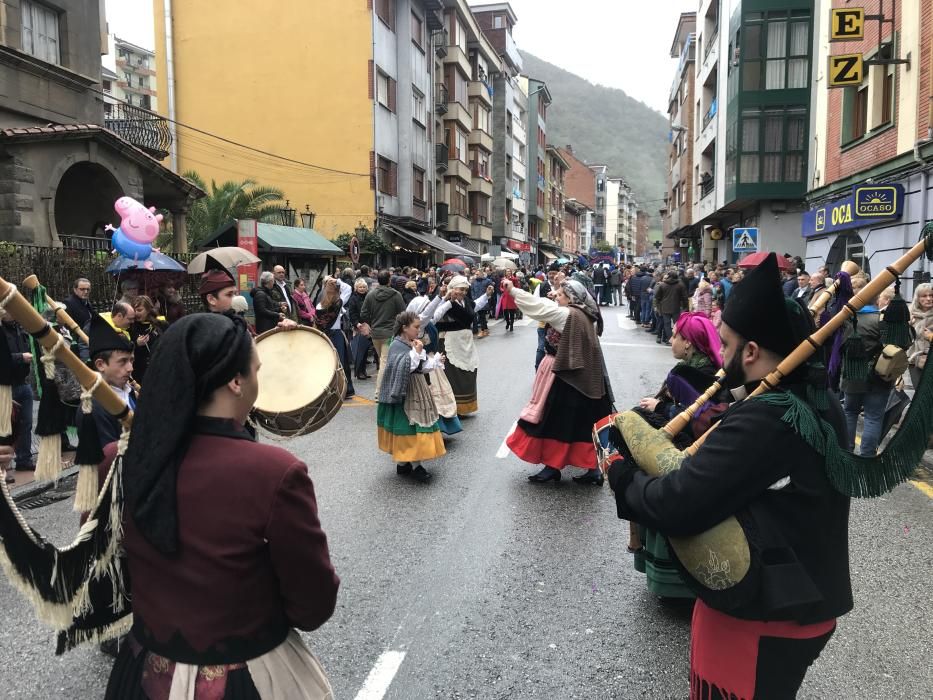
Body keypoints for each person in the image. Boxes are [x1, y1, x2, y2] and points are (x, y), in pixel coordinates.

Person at [609, 253, 852, 699]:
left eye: (725, 343)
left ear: (753, 351)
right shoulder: (816, 398)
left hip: (767, 611)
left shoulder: (768, 416)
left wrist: (619, 472)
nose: (720, 355)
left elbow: (678, 502)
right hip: (802, 595)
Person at [105, 312, 339, 698]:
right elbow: (312, 605)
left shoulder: (117, 458)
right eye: (256, 370)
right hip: (242, 677)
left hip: (143, 672)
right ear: (235, 381)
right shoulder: (276, 473)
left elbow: (112, 573)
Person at [632, 312, 725, 599]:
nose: (671, 340)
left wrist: (657, 407)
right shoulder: (718, 370)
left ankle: (670, 580)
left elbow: (694, 418)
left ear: (690, 344)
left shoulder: (683, 374)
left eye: (676, 336)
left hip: (680, 452)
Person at [502, 278, 613, 484]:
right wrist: (556, 296)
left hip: (566, 377)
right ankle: (593, 468)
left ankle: (552, 466)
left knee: (554, 421)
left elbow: (538, 308)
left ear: (571, 298)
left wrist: (514, 290)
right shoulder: (586, 313)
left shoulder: (566, 314)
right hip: (586, 378)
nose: (556, 296)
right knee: (582, 423)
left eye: (560, 294)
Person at [376, 311, 447, 483]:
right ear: (404, 328)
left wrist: (435, 361)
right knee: (410, 426)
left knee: (410, 425)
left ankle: (403, 463)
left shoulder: (411, 343)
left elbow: (419, 367)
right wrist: (416, 352)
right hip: (404, 392)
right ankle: (415, 466)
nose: (418, 330)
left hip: (416, 386)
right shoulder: (396, 345)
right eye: (415, 327)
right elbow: (403, 367)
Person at [840, 291, 895, 456]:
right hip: (879, 375)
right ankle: (867, 455)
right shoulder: (881, 320)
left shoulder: (845, 320)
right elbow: (895, 346)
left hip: (852, 375)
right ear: (876, 300)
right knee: (873, 417)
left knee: (849, 413)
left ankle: (847, 451)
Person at [77, 314, 136, 448]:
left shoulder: (130, 392)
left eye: (131, 360)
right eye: (123, 361)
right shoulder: (94, 407)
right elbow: (109, 457)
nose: (130, 368)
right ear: (100, 365)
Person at [433, 275, 490, 416]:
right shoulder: (445, 302)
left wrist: (486, 296)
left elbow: (474, 307)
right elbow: (435, 316)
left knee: (468, 372)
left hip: (465, 342)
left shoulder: (465, 301)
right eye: (460, 289)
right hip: (450, 341)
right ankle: (454, 407)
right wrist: (447, 300)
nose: (463, 293)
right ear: (452, 289)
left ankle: (466, 405)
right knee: (453, 375)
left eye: (465, 290)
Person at [361, 270, 406, 399]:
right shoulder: (396, 295)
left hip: (376, 333)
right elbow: (403, 313)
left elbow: (363, 314)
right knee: (385, 362)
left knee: (383, 361)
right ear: (389, 280)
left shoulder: (370, 295)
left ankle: (386, 389)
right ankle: (379, 392)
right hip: (390, 333)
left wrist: (372, 322)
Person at [1, 312, 34, 474]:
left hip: (23, 382)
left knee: (26, 423)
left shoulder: (19, 328)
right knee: (6, 427)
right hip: (7, 386)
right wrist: (21, 357)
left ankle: (24, 459)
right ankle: (4, 466)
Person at [314, 276, 355, 399]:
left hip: (323, 336)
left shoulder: (319, 304)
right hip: (336, 335)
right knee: (340, 363)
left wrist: (327, 283)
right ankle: (343, 389)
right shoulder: (338, 302)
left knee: (326, 363)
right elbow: (348, 288)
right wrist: (337, 281)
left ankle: (326, 389)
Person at [129, 295, 167, 383]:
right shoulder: (131, 326)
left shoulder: (161, 324)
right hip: (140, 371)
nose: (136, 313)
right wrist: (136, 344)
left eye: (139, 310)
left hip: (159, 367)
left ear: (148, 309)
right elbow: (126, 347)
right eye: (134, 310)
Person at [347, 279, 374, 380]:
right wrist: (356, 323)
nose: (362, 289)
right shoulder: (353, 298)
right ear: (356, 288)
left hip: (368, 326)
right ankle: (359, 372)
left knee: (366, 349)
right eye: (360, 287)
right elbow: (352, 313)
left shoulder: (369, 297)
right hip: (359, 326)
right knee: (359, 350)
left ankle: (363, 371)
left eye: (363, 287)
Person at [908, 283, 933, 389]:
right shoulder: (909, 313)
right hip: (914, 360)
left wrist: (931, 336)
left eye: (931, 295)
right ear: (917, 298)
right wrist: (908, 326)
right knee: (919, 395)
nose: (928, 298)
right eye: (924, 296)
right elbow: (901, 340)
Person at [654, 271, 689, 345]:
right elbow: (685, 298)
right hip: (676, 307)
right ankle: (676, 339)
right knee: (677, 324)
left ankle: (670, 339)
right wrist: (686, 308)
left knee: (667, 325)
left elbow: (657, 297)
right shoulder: (680, 285)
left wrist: (658, 306)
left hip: (664, 307)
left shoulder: (662, 285)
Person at [470, 270, 493, 337]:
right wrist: (473, 298)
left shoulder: (487, 281)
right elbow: (472, 290)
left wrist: (488, 297)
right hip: (476, 301)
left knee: (482, 316)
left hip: (484, 301)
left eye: (477, 274)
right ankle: (485, 329)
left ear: (482, 274)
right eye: (475, 274)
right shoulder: (474, 282)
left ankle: (483, 330)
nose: (476, 275)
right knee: (481, 316)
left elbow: (491, 289)